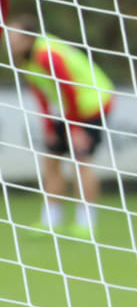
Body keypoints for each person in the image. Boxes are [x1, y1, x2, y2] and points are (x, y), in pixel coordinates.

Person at [8, 17, 113, 239]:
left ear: (28, 38)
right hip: (66, 108)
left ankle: (85, 223)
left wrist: (75, 128)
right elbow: (42, 92)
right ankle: (50, 220)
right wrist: (48, 125)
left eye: (14, 37)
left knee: (82, 162)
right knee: (51, 160)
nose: (9, 41)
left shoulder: (46, 55)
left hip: (91, 104)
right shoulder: (22, 59)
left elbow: (69, 88)